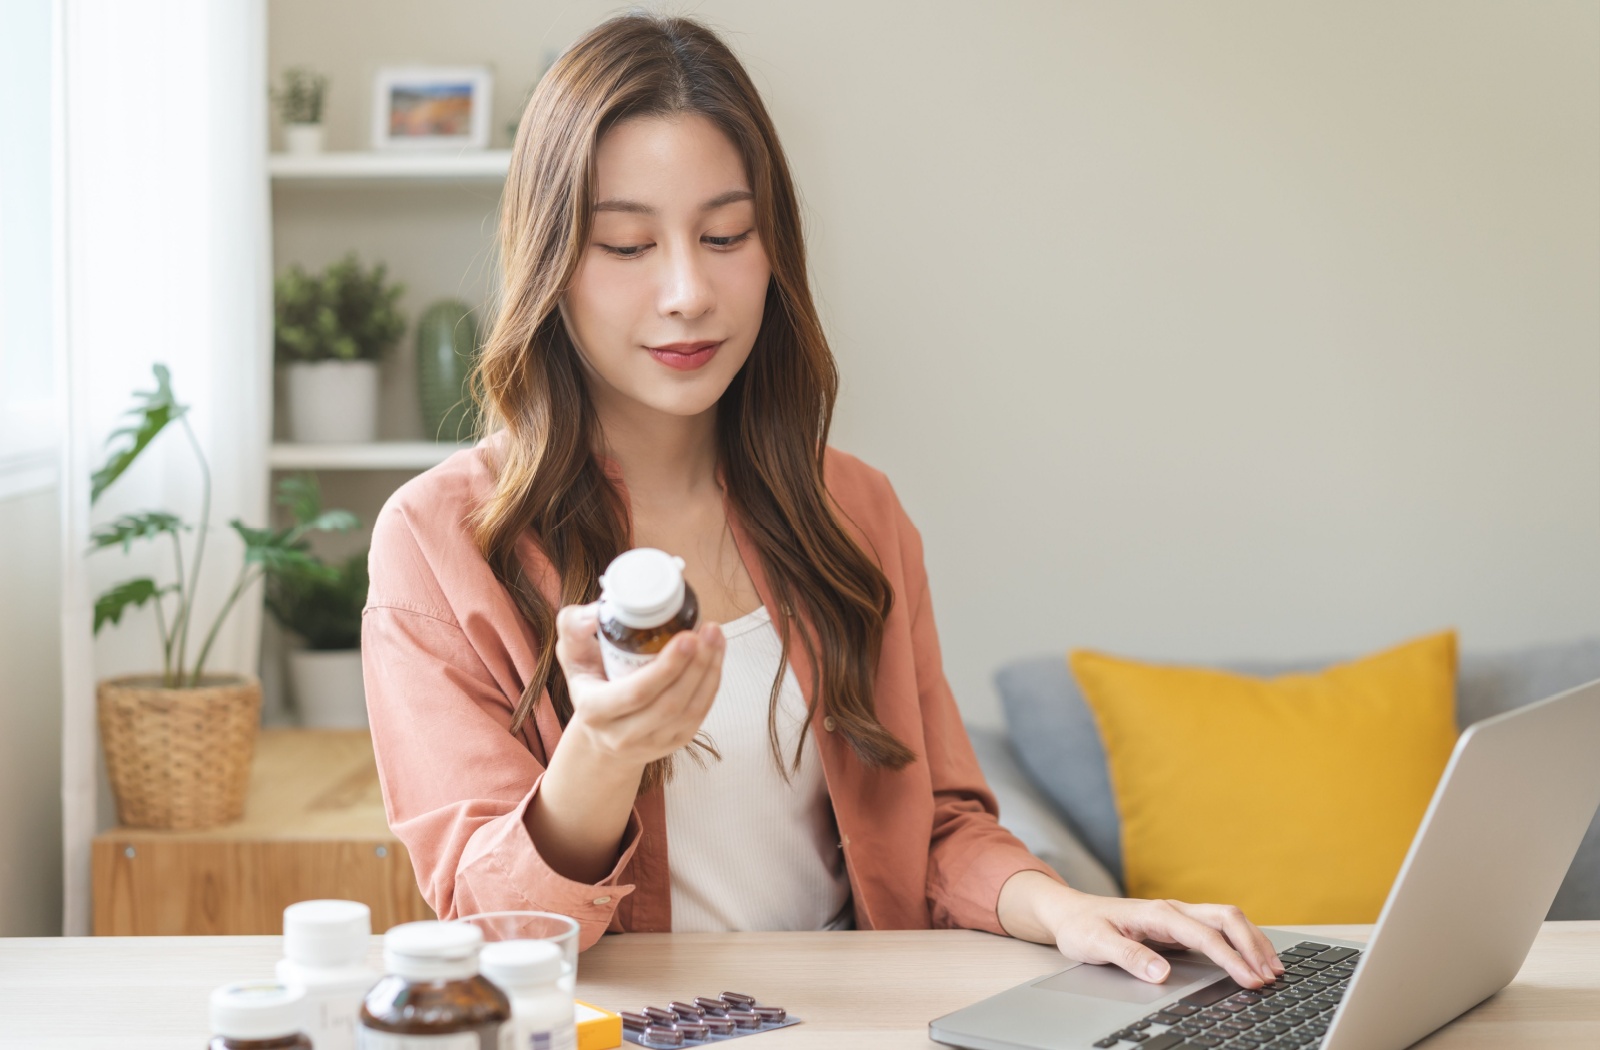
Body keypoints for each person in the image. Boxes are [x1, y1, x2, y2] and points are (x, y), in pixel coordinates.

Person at [362, 11, 1284, 992]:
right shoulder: (440, 541)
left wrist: (1066, 907)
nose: (687, 291)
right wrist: (601, 749)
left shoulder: (855, 513)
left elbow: (935, 831)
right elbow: (493, 922)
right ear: (550, 263)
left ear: (771, 250)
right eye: (626, 247)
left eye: (725, 235)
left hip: (855, 1023)